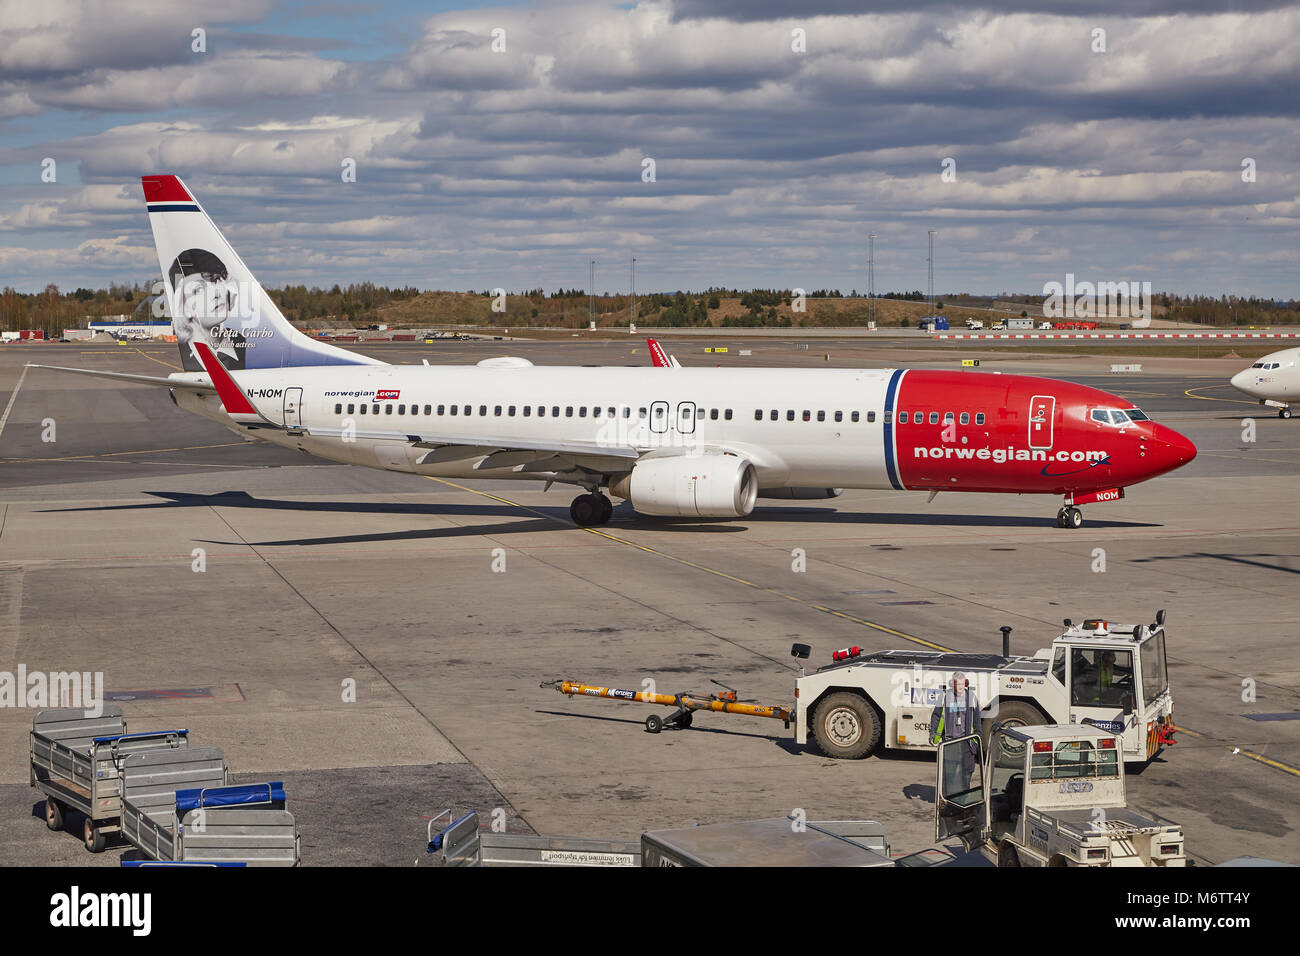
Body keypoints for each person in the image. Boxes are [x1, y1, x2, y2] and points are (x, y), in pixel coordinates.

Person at [930, 673, 981, 789]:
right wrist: (932, 733)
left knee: (966, 773)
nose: (961, 687)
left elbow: (977, 720)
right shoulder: (945, 696)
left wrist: (977, 738)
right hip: (950, 742)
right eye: (958, 684)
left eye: (963, 684)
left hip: (966, 742)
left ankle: (963, 798)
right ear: (953, 683)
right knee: (948, 774)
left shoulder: (971, 697)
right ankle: (946, 799)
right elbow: (936, 716)